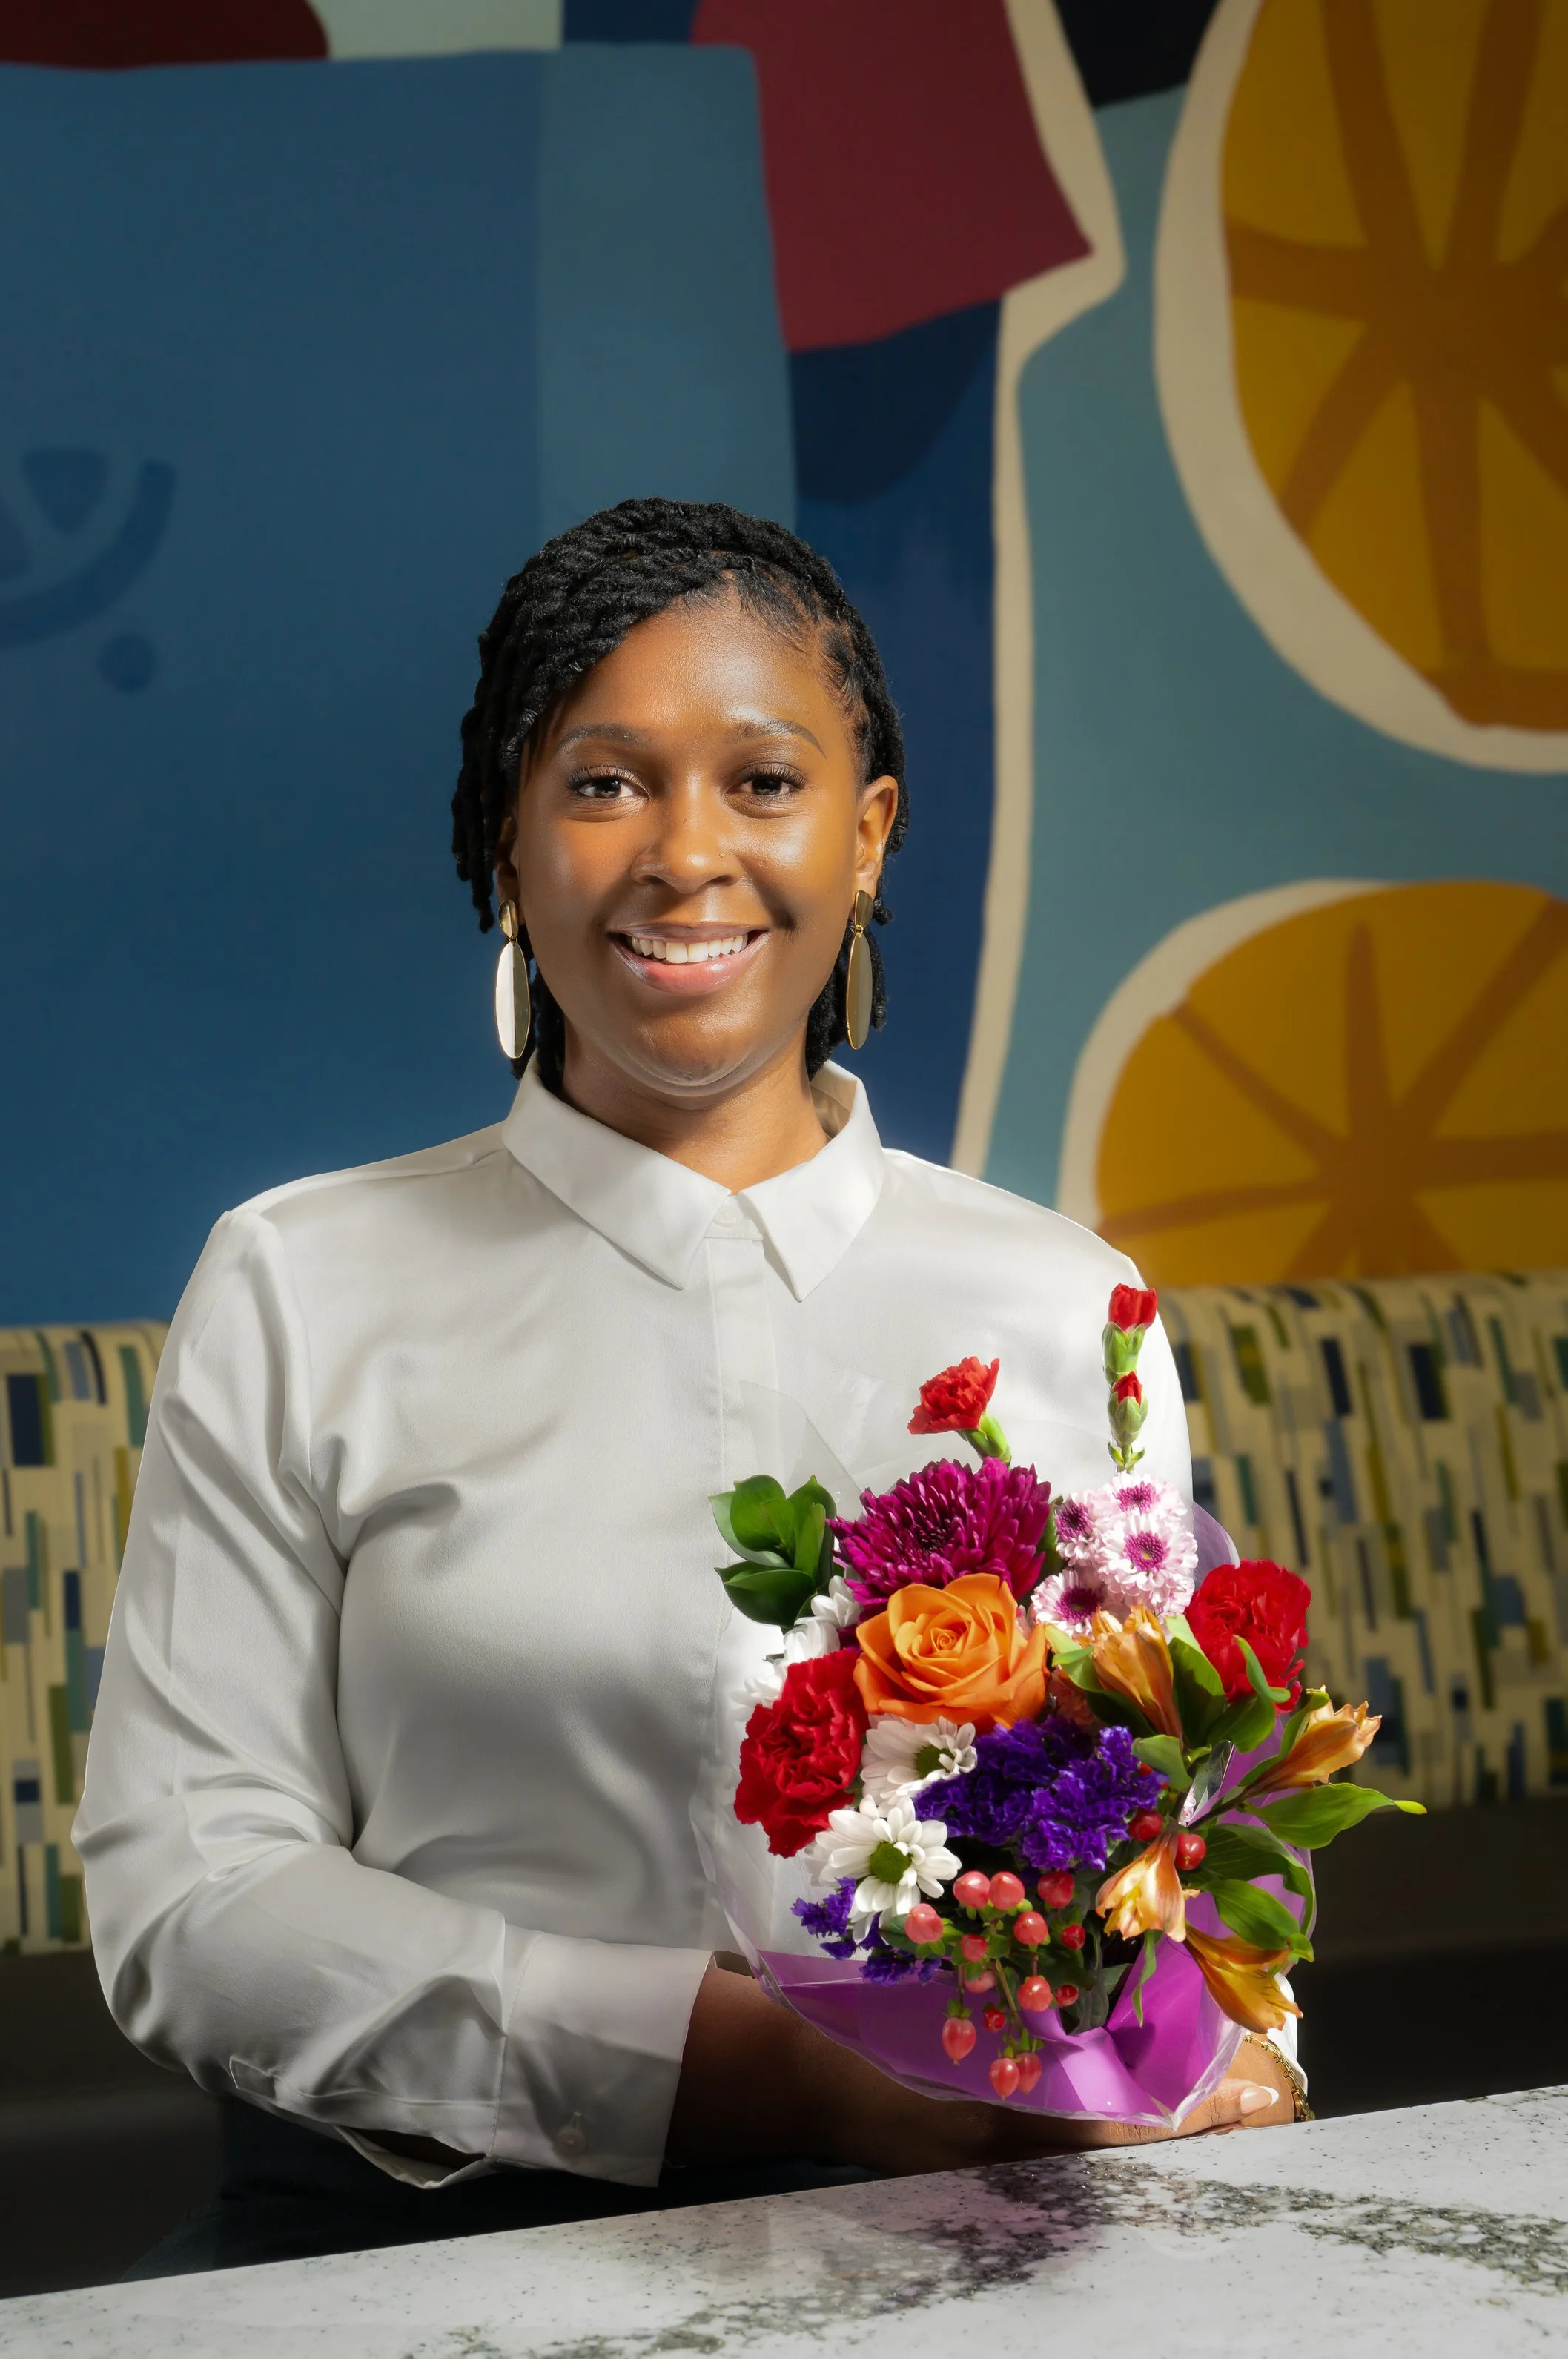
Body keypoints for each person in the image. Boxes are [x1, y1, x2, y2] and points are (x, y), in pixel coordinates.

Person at [73, 500, 1295, 2273]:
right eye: (601, 784)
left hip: (979, 2240)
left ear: (866, 838)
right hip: (408, 2258)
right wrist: (768, 2074)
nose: (684, 853)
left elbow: (1179, 1835)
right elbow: (194, 1903)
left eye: (762, 782)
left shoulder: (1063, 1299)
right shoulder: (296, 1282)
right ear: (507, 841)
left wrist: (1232, 2044)